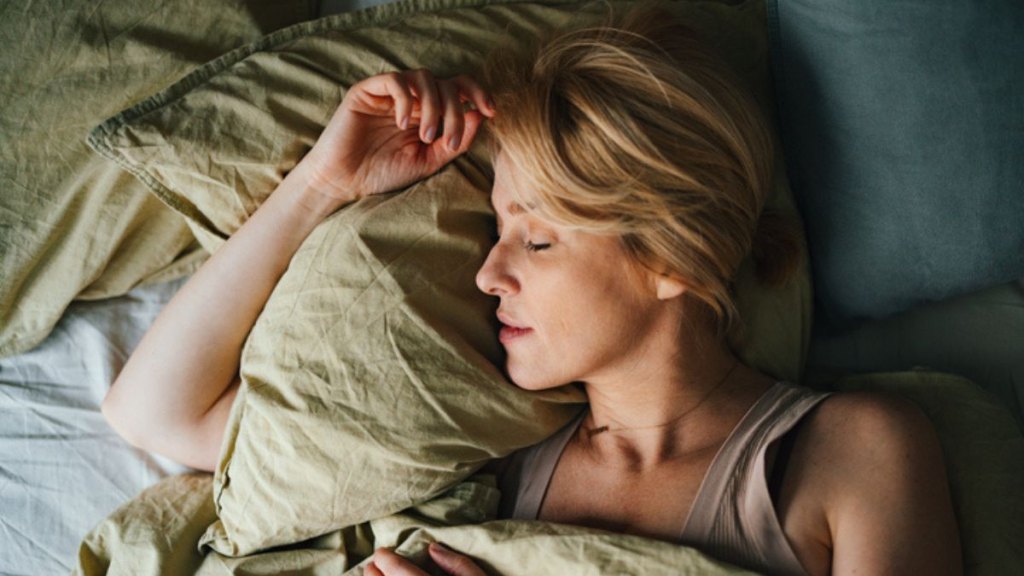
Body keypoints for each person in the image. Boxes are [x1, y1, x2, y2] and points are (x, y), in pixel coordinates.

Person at [102, 4, 962, 575]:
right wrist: (324, 184)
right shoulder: (487, 450)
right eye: (498, 229)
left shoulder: (855, 455)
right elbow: (154, 413)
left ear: (672, 258)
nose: (487, 273)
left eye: (538, 238)